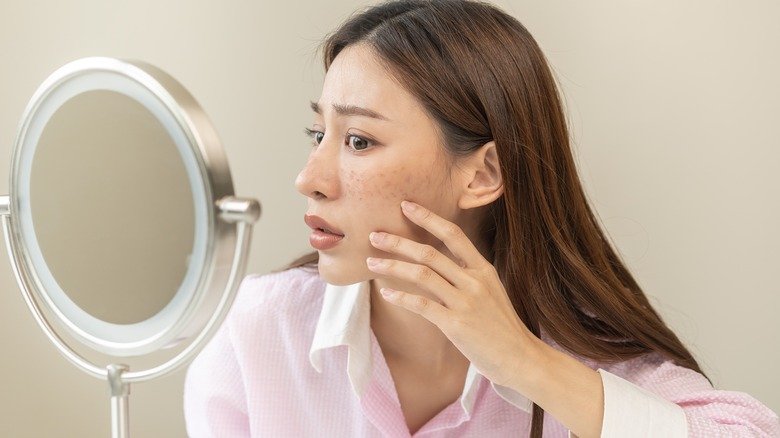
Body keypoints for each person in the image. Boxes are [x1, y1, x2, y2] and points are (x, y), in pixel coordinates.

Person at [183, 0, 780, 436]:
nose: (310, 177)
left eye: (359, 141)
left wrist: (522, 361)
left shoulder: (582, 360)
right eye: (320, 133)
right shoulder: (259, 332)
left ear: (482, 174)